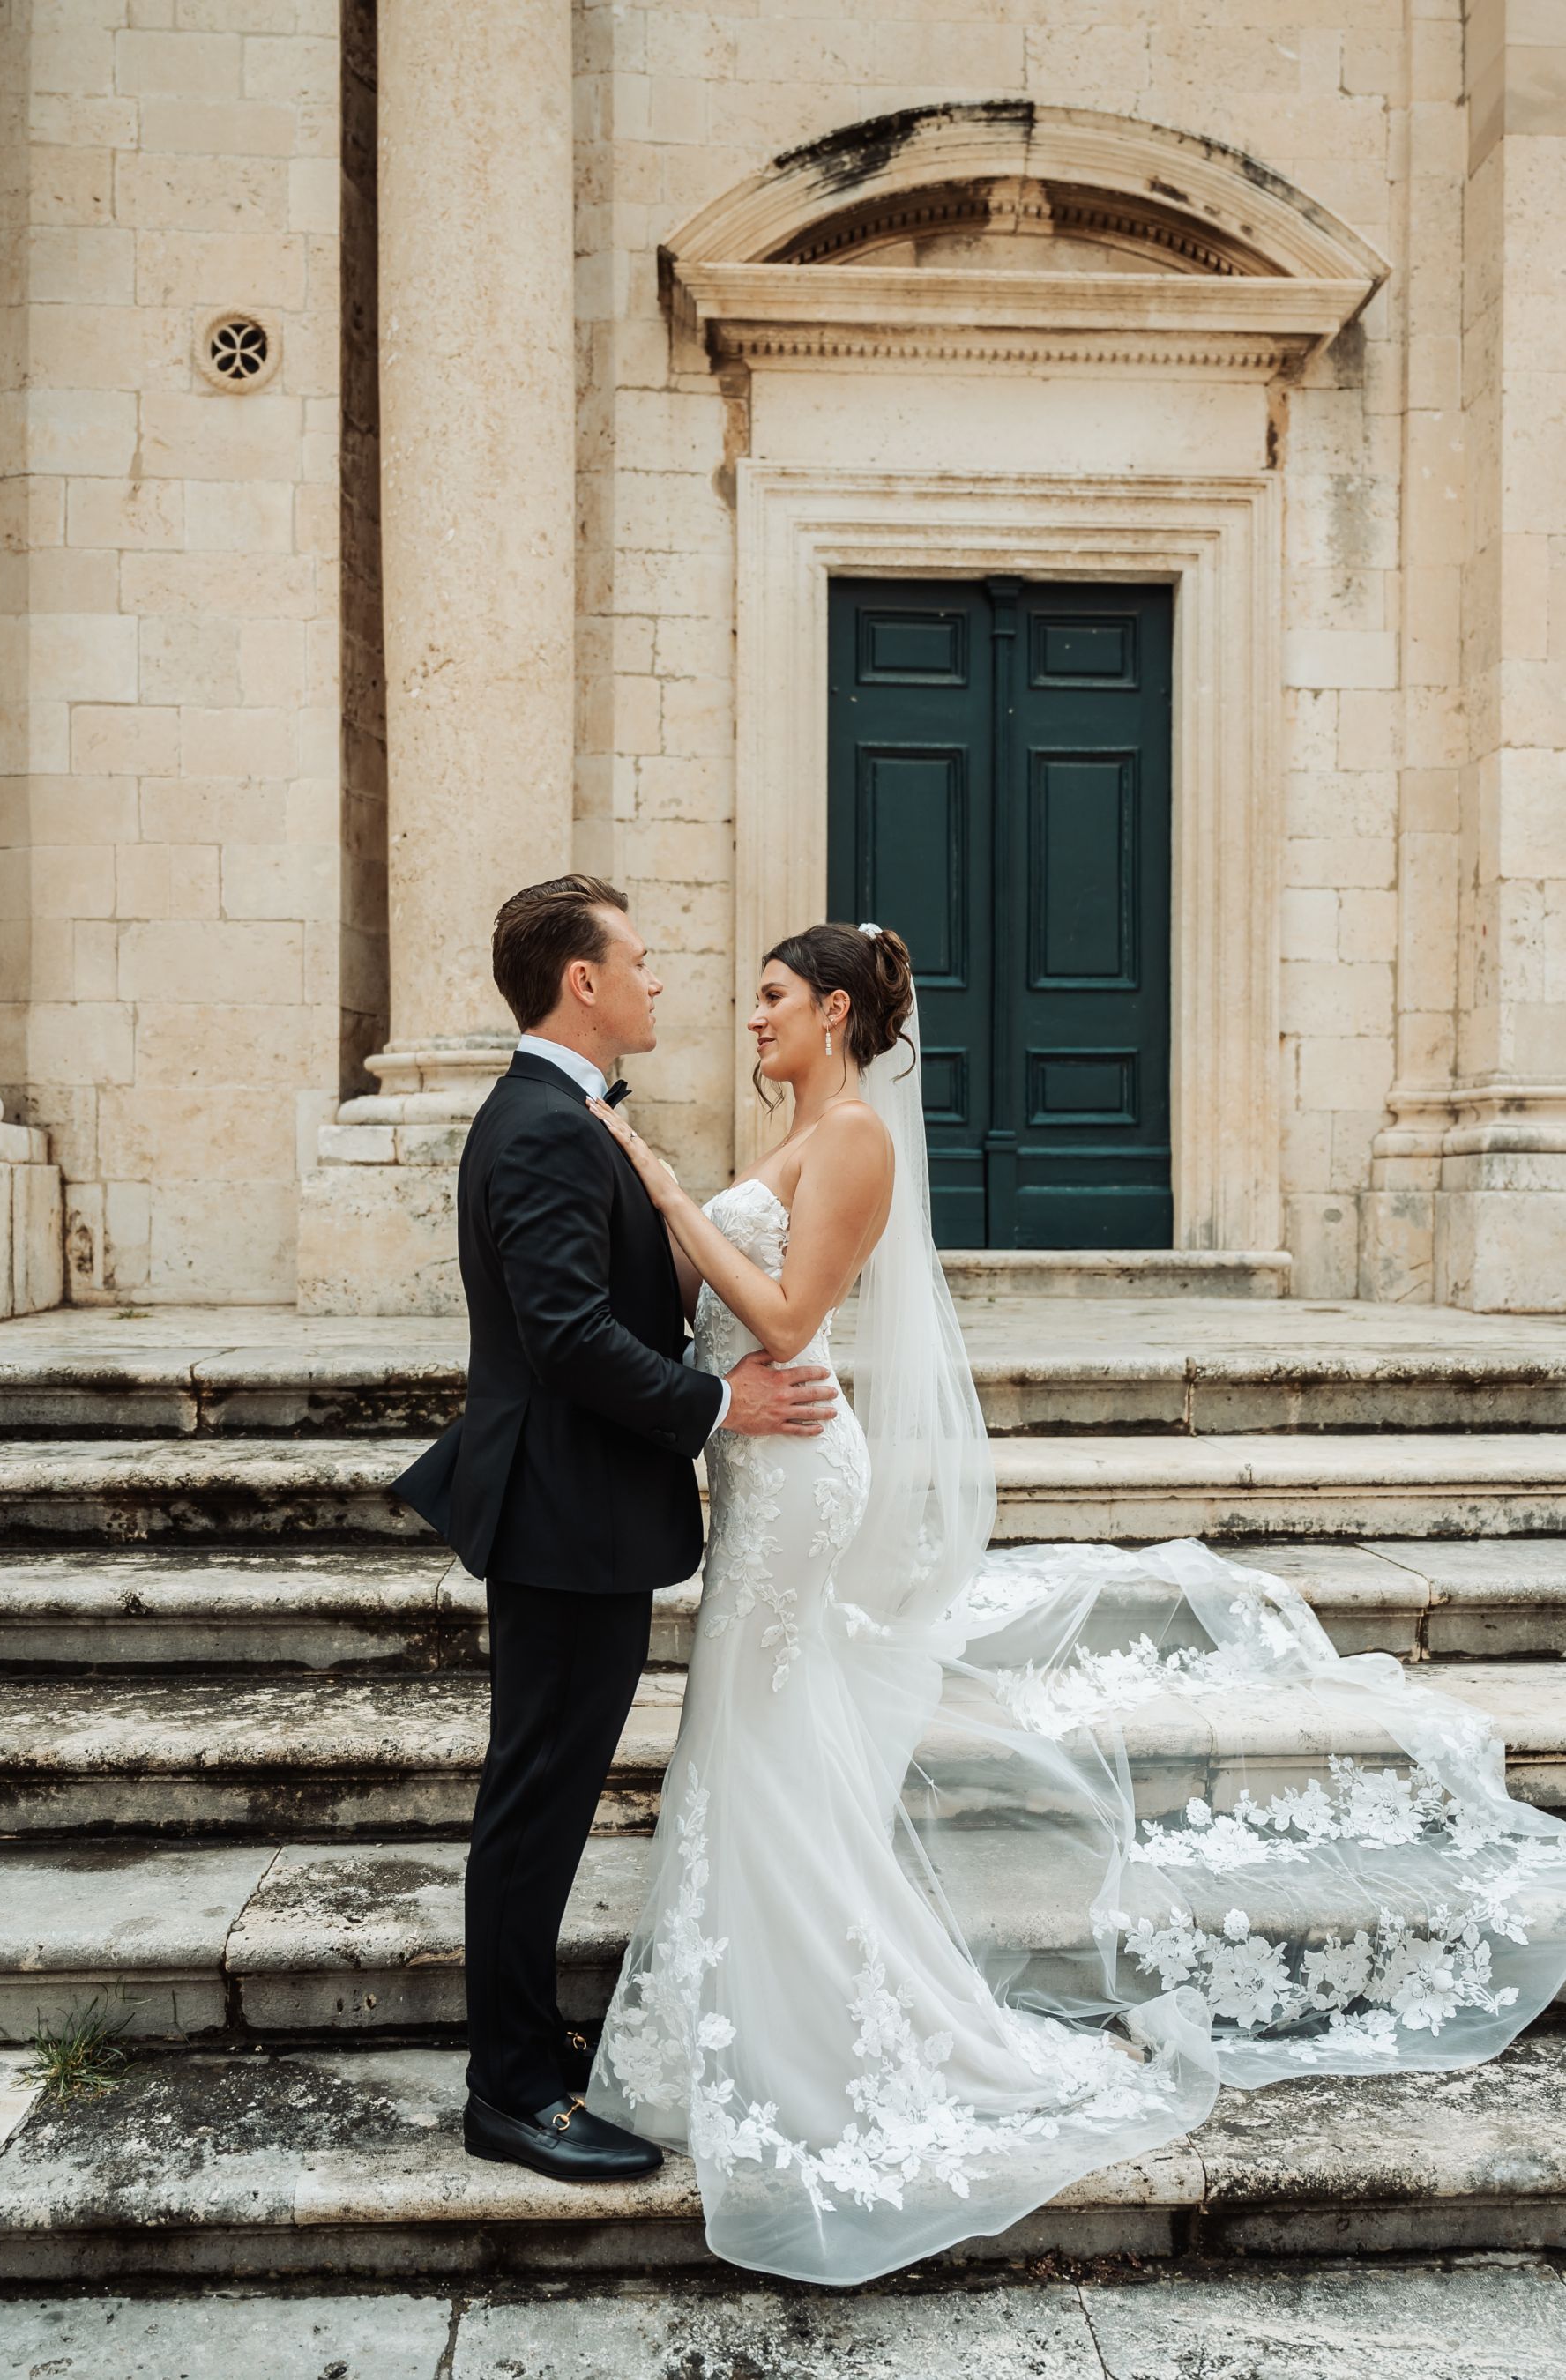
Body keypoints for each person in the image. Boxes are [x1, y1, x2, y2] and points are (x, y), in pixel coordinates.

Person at [580, 917, 1566, 2287]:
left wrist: (677, 1201)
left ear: (842, 1012)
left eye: (773, 998)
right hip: (756, 1471)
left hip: (797, 1472)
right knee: (749, 1746)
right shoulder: (802, 1134)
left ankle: (805, 2030)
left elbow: (795, 1320)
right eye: (754, 1000)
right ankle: (731, 2016)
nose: (751, 1019)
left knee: (751, 1741)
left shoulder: (855, 1135)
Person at [392, 874, 838, 2183]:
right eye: (639, 961)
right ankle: (512, 2092)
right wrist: (721, 1402)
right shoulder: (536, 1125)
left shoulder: (569, 1115)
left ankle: (528, 2046)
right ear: (580, 982)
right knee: (535, 1801)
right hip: (562, 1515)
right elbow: (568, 1337)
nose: (659, 982)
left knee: (553, 1791)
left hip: (590, 1513)